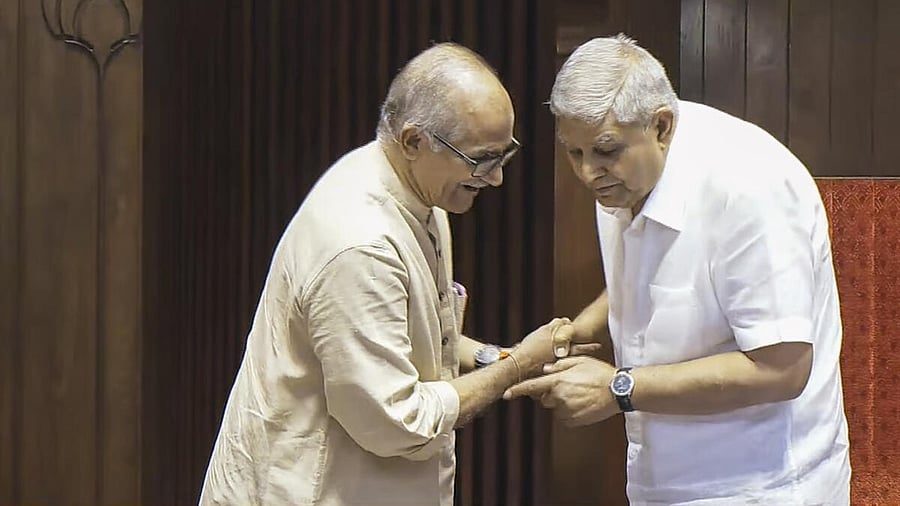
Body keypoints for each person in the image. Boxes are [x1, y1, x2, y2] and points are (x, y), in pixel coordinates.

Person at [198, 43, 570, 506]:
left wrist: (501, 358)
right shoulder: (361, 242)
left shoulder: (418, 194)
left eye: (503, 156)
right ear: (414, 141)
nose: (495, 179)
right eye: (481, 160)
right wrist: (515, 367)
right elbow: (395, 422)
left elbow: (421, 343)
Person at [505, 35, 851, 505]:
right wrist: (580, 328)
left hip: (760, 482)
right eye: (574, 153)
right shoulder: (626, 167)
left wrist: (617, 387)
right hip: (661, 474)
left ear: (662, 127)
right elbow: (673, 275)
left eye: (605, 152)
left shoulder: (749, 188)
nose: (588, 173)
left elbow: (783, 369)